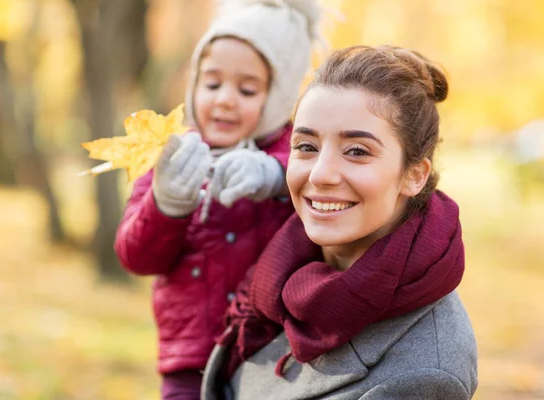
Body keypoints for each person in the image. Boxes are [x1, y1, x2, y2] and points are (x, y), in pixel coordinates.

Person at [201, 45, 478, 399]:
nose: (320, 174)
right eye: (306, 146)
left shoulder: (425, 374)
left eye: (357, 151)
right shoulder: (279, 267)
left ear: (413, 175)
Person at [114, 1, 323, 398]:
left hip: (272, 352)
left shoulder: (298, 150)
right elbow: (136, 256)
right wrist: (166, 204)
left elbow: (321, 185)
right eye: (212, 83)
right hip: (190, 358)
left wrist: (277, 175)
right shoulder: (173, 155)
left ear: (276, 97)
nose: (225, 99)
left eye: (247, 89)